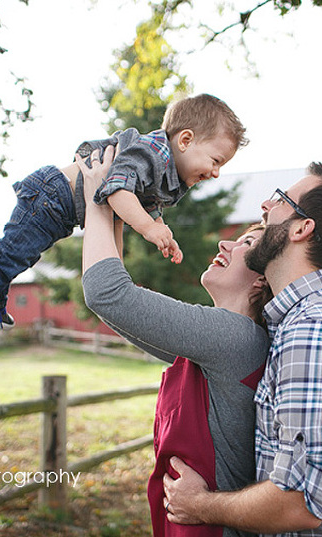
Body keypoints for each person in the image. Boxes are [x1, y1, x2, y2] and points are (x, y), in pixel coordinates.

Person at [163, 163, 322, 536]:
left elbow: (299, 502)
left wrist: (199, 504)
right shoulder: (312, 314)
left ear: (301, 228)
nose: (265, 206)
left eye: (280, 200)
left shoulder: (313, 331)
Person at [0, 94, 247, 350]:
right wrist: (149, 227)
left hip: (60, 208)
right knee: (12, 253)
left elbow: (144, 201)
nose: (216, 172)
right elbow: (117, 189)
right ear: (186, 140)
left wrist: (159, 226)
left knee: (24, 255)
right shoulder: (150, 152)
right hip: (50, 195)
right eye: (216, 161)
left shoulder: (168, 173)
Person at [78, 145, 272, 537]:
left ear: (261, 282)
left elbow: (107, 294)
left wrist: (96, 198)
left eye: (246, 245)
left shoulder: (234, 338)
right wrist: (118, 207)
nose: (226, 244)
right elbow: (120, 310)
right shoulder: (222, 344)